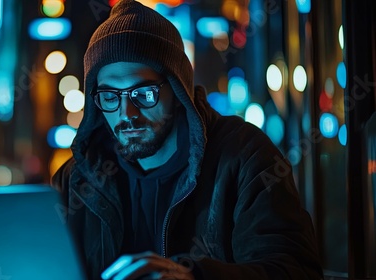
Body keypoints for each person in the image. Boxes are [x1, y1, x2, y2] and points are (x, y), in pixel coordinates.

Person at [51, 0, 323, 279]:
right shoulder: (75, 181)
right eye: (110, 96)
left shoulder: (246, 158)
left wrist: (194, 276)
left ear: (179, 90)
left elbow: (296, 270)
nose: (126, 113)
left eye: (143, 94)